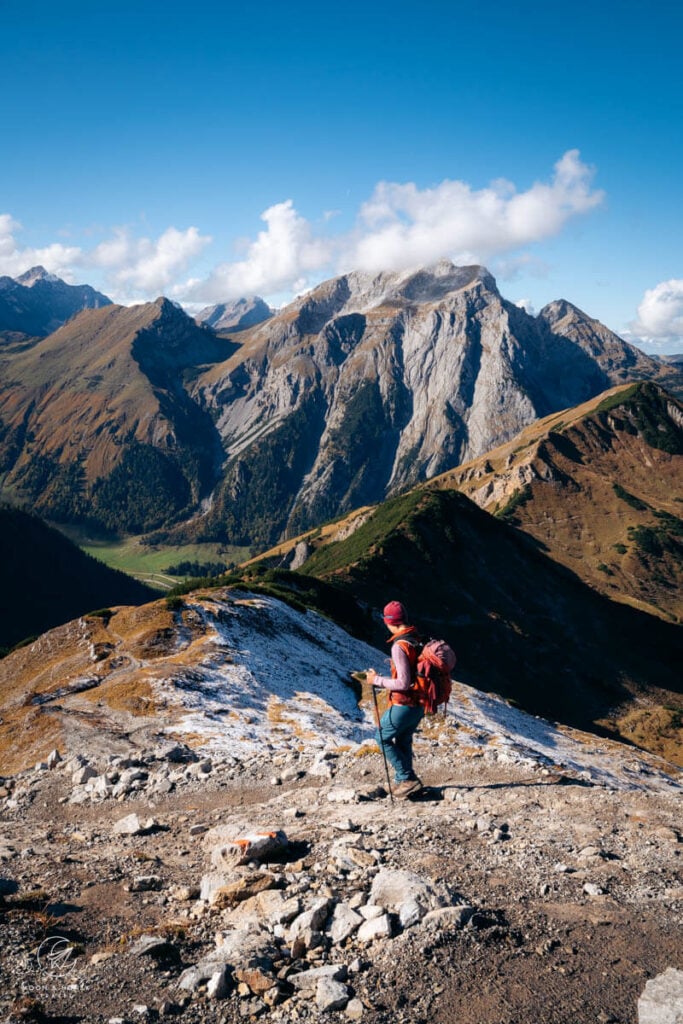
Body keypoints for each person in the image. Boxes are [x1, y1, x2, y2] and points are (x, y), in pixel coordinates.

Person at [366, 600, 424, 799]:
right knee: (402, 740)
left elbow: (403, 683)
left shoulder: (399, 646)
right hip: (419, 704)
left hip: (404, 704)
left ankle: (406, 778)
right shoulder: (416, 638)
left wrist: (376, 680)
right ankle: (404, 782)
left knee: (381, 738)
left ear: (389, 621)